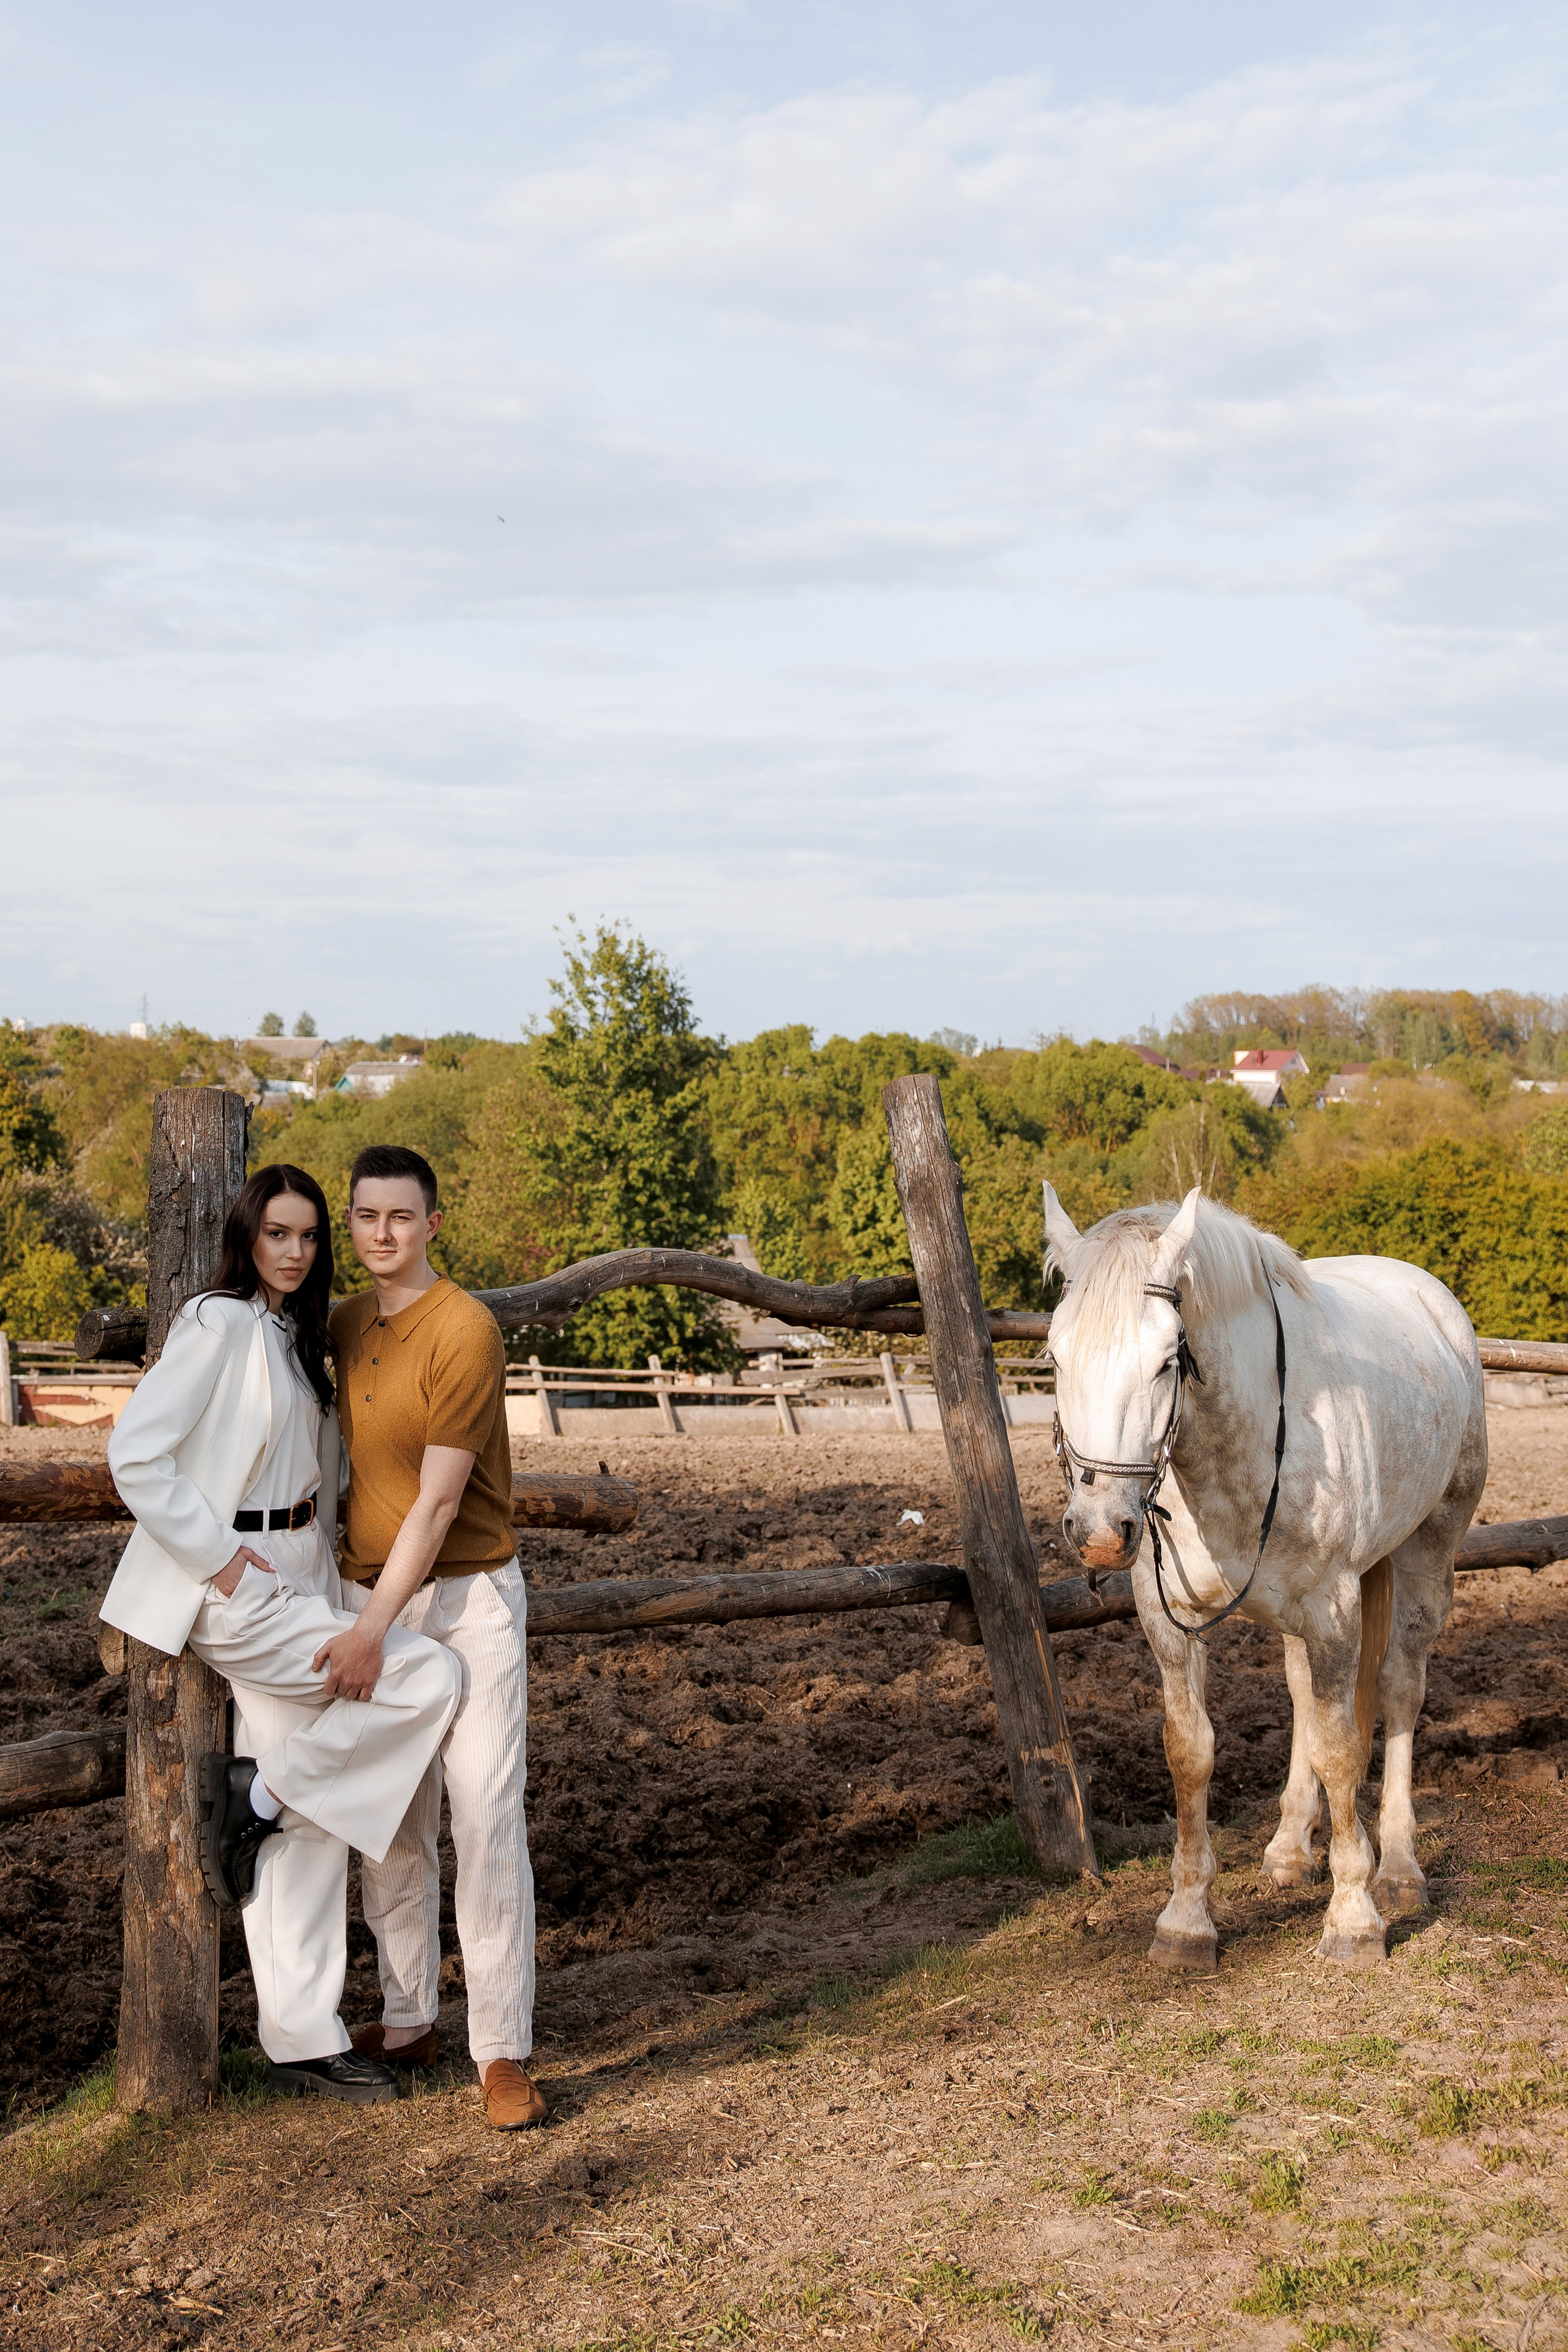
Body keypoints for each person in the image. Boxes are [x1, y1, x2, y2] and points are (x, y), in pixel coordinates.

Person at [102, 1164, 463, 2106]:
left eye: (309, 1238)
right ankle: (258, 1792)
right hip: (240, 1584)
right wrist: (216, 1561)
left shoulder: (299, 1336)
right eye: (278, 1235)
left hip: (306, 1570)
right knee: (425, 1678)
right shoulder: (219, 1322)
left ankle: (302, 2035)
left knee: (307, 1815)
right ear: (246, 1237)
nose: (296, 1253)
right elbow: (133, 1453)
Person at [326, 1143, 543, 2132]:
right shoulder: (340, 1325)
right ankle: (409, 2018)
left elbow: (441, 1499)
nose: (382, 1234)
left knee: (485, 1815)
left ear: (432, 1225)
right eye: (366, 1217)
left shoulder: (465, 1328)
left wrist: (371, 1629)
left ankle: (501, 2050)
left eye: (401, 1218)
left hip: (463, 1606)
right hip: (368, 1595)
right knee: (392, 1821)